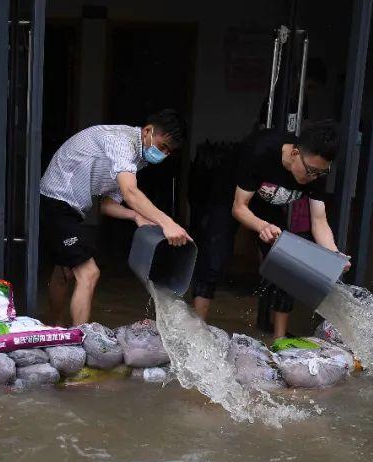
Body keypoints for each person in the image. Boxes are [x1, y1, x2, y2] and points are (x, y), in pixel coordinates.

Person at [191, 119, 345, 339]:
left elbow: (319, 220)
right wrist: (261, 226)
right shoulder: (261, 150)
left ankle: (279, 339)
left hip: (266, 205)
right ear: (294, 154)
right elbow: (239, 208)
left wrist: (334, 255)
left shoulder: (316, 172)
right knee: (215, 258)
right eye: (310, 171)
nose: (312, 177)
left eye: (320, 173)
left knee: (287, 262)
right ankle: (197, 332)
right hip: (230, 198)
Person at [39, 109, 192, 327]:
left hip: (69, 208)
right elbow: (130, 192)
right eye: (163, 146)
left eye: (170, 152)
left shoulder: (137, 160)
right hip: (55, 201)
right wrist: (167, 223)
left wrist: (136, 216)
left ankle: (55, 328)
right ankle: (78, 340)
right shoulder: (121, 143)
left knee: (64, 272)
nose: (164, 154)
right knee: (89, 273)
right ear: (148, 131)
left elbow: (108, 206)